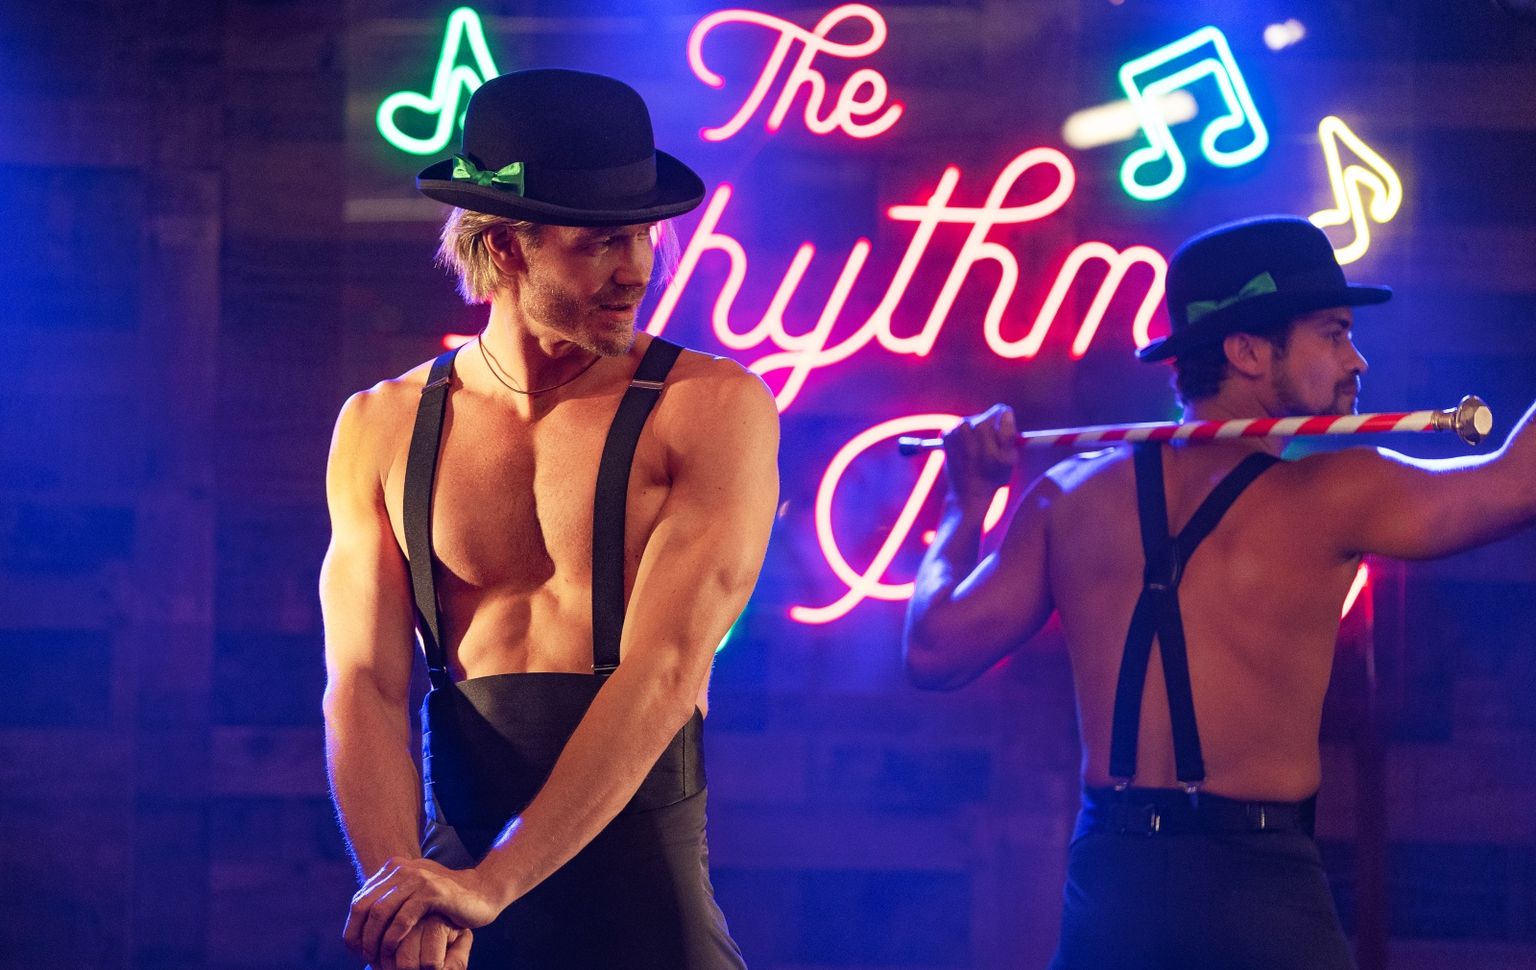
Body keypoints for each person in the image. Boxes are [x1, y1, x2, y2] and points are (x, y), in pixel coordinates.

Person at [902, 216, 1536, 969]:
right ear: (1247, 351)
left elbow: (933, 647)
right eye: (1334, 333)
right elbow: (1519, 482)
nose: (1356, 359)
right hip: (1259, 893)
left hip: (1111, 892)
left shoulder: (1064, 497)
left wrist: (965, 504)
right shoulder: (1336, 491)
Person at [321, 69, 778, 970]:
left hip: (641, 904)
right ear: (505, 246)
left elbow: (666, 670)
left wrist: (493, 884)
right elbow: (364, 685)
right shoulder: (381, 424)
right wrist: (401, 895)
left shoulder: (710, 407)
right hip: (454, 901)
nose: (638, 269)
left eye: (644, 235)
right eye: (601, 242)